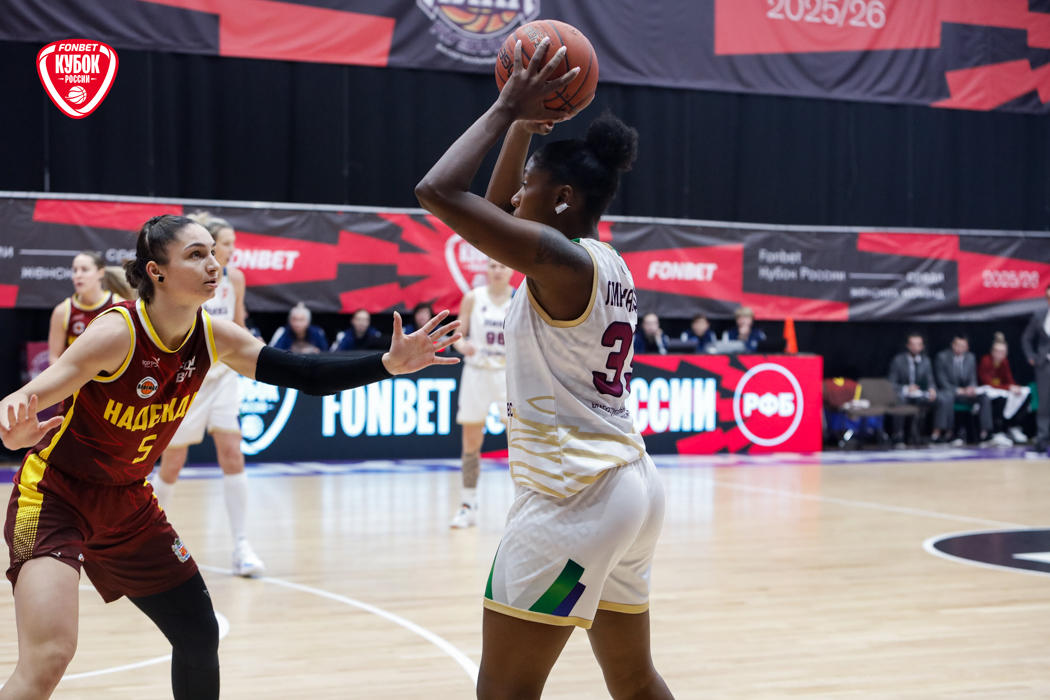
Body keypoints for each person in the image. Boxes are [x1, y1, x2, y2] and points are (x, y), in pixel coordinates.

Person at [0, 214, 460, 700]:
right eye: (196, 255)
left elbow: (306, 374)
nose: (213, 264)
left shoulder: (214, 335)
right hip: (55, 497)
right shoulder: (117, 333)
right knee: (50, 657)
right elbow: (20, 401)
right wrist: (13, 432)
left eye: (213, 253)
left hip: (128, 502)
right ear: (156, 271)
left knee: (199, 634)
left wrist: (387, 364)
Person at [416, 38, 673, 700]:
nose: (514, 197)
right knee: (634, 681)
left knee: (505, 691)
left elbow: (438, 191)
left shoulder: (564, 263)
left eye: (529, 184)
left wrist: (506, 107)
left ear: (561, 198)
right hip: (627, 492)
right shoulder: (599, 261)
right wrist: (524, 131)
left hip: (573, 505)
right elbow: (494, 210)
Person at [153, 213, 264, 577]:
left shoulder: (236, 279)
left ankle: (242, 545)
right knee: (173, 462)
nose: (231, 250)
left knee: (232, 453)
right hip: (188, 375)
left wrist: (255, 349)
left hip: (224, 375)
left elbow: (238, 325)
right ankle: (150, 542)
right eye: (225, 244)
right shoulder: (189, 282)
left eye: (231, 244)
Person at [450, 258, 513, 528]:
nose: (497, 270)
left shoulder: (520, 298)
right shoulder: (473, 297)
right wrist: (461, 345)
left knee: (518, 442)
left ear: (511, 270)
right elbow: (458, 334)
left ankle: (522, 504)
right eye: (493, 266)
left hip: (508, 374)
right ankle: (468, 505)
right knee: (471, 441)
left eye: (502, 266)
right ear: (486, 269)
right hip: (477, 371)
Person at [47, 251, 125, 365]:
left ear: (100, 273)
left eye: (84, 270)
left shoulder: (120, 305)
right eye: (75, 270)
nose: (78, 275)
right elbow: (54, 357)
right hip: (74, 375)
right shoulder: (63, 311)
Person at [934, 333, 991, 445]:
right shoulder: (942, 357)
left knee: (984, 397)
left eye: (962, 346)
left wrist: (971, 387)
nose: (960, 348)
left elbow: (972, 378)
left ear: (967, 347)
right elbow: (941, 381)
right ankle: (948, 434)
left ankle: (985, 433)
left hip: (966, 394)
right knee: (947, 398)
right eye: (957, 345)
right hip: (950, 392)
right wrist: (957, 390)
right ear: (952, 345)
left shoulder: (970, 357)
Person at [978, 333, 1029, 446]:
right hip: (986, 393)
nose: (1000, 354)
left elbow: (1009, 379)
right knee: (1001, 399)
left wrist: (1015, 387)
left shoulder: (1005, 362)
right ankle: (996, 432)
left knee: (1024, 393)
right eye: (997, 351)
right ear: (992, 351)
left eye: (1003, 352)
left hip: (1000, 391)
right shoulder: (986, 360)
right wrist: (1008, 387)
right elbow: (988, 383)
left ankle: (1013, 427)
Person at [886, 332, 936, 446]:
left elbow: (930, 380)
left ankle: (930, 435)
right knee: (900, 400)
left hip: (919, 394)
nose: (916, 347)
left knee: (938, 399)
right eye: (913, 344)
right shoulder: (898, 360)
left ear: (923, 346)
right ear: (907, 345)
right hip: (903, 394)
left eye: (919, 344)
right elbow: (891, 383)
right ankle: (898, 435)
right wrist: (906, 388)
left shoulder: (926, 361)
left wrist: (932, 389)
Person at [1022, 285, 1050, 452]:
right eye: (1048, 297)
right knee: (1044, 404)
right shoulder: (1040, 315)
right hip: (1044, 365)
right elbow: (1026, 338)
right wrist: (1031, 357)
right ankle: (1042, 440)